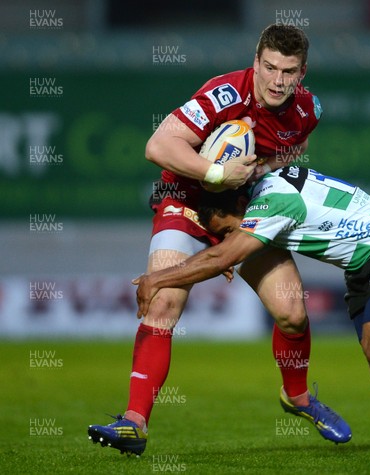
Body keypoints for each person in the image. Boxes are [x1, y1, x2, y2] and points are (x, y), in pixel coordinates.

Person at [88, 25, 350, 456]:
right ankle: (134, 422)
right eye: (268, 67)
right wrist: (214, 173)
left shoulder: (307, 109)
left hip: (244, 214)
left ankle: (298, 398)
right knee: (164, 301)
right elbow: (158, 145)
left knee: (292, 313)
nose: (276, 81)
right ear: (256, 61)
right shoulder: (224, 94)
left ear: (302, 72)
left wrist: (259, 175)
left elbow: (294, 147)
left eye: (288, 72)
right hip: (186, 201)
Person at [133, 166, 370, 457]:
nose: (230, 236)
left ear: (238, 203)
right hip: (363, 266)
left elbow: (221, 257)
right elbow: (225, 251)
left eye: (228, 228)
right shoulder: (267, 183)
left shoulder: (271, 203)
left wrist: (157, 279)